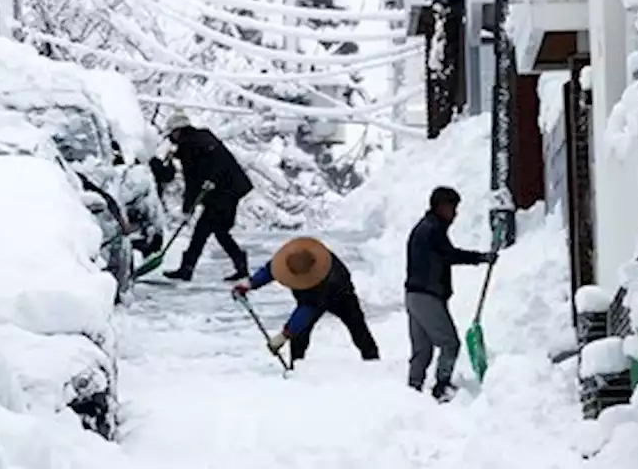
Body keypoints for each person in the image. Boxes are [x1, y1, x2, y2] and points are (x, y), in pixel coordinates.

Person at [404, 186, 496, 402]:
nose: (455, 214)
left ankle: (412, 391)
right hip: (427, 296)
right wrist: (481, 258)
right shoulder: (432, 230)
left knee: (422, 349)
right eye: (452, 208)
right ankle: (441, 386)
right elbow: (449, 255)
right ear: (440, 207)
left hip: (413, 296)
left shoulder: (425, 228)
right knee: (449, 343)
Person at [233, 237, 379, 363]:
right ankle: (297, 366)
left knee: (358, 327)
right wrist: (250, 284)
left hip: (341, 296)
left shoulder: (331, 277)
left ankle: (372, 360)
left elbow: (308, 309)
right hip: (311, 298)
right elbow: (271, 269)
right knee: (300, 337)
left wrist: (284, 335)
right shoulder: (295, 257)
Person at [149, 112, 253, 281]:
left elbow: (194, 179)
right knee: (218, 231)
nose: (171, 138)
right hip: (226, 190)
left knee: (203, 230)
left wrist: (188, 206)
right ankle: (239, 265)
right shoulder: (198, 139)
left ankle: (187, 268)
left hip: (224, 192)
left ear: (179, 131)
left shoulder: (191, 145)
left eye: (172, 134)